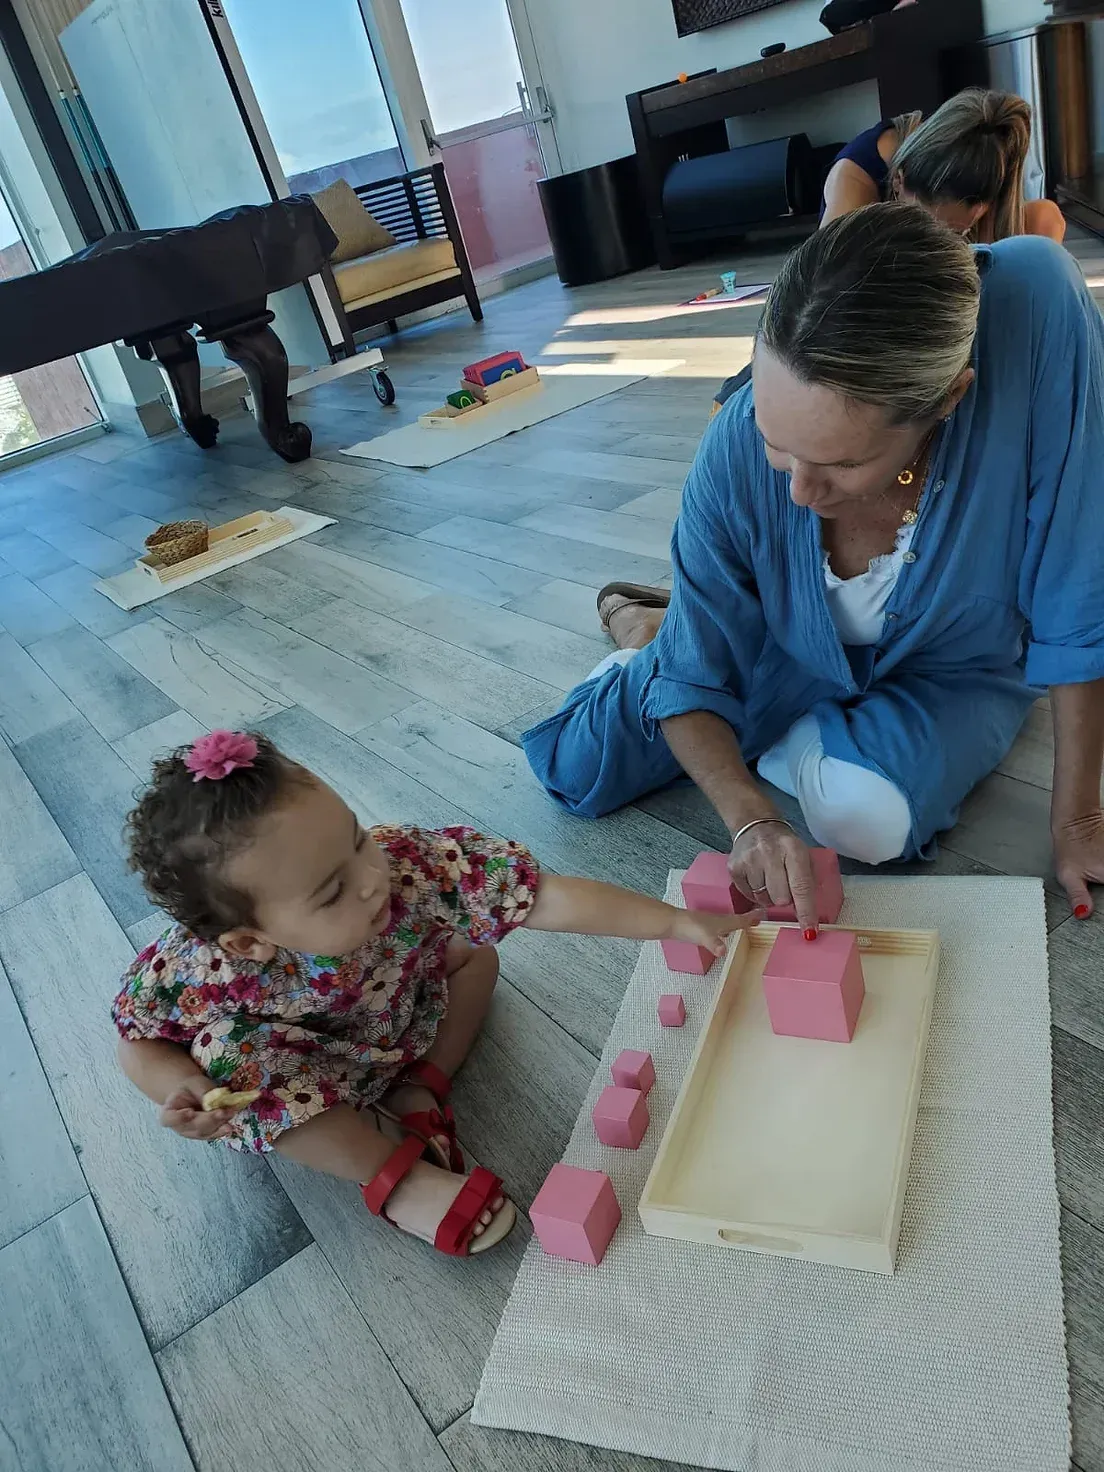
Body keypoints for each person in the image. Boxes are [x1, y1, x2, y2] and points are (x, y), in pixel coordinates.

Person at [526, 203, 1104, 931]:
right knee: (576, 769)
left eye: (841, 461)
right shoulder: (735, 452)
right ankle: (647, 633)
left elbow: (1079, 584)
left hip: (952, 658)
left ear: (948, 399)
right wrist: (750, 822)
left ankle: (710, 652)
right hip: (781, 638)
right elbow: (694, 678)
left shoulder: (1035, 307)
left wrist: (1080, 817)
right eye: (775, 440)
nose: (798, 492)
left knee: (868, 825)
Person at [113, 729, 759, 1257]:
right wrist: (184, 1089)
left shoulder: (406, 864)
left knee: (477, 954)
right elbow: (136, 1039)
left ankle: (422, 1084)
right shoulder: (200, 969)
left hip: (401, 1017)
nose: (372, 879)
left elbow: (545, 896)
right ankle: (396, 1177)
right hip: (305, 1076)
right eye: (333, 891)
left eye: (357, 837)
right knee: (232, 1069)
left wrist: (675, 921)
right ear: (250, 942)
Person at [821, 87, 1065, 242]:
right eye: (918, 221)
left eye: (954, 230)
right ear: (898, 180)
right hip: (877, 289)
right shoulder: (853, 180)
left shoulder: (983, 172)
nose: (935, 242)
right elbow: (823, 288)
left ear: (980, 209)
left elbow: (1046, 220)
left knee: (1045, 221)